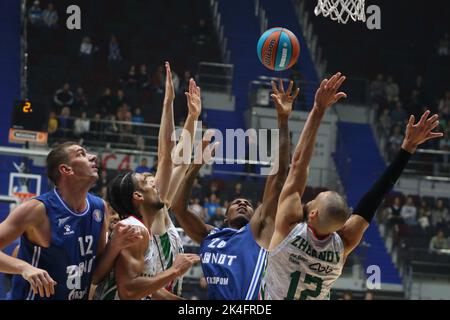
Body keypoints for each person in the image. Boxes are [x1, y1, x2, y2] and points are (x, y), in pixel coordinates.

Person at [260, 72, 443, 299]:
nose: (312, 197)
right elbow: (374, 200)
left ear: (314, 213)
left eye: (317, 197)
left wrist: (318, 109)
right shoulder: (343, 244)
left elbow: (298, 164)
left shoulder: (289, 226)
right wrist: (407, 149)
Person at [171, 79, 297, 299]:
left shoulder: (258, 231)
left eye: (248, 204)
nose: (243, 203)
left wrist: (283, 119)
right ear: (225, 216)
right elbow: (178, 208)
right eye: (237, 202)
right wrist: (196, 165)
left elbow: (278, 178)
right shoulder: (210, 235)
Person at [94, 62, 201, 300]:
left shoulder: (159, 214)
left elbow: (180, 161)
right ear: (138, 196)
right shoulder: (137, 231)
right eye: (146, 180)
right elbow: (166, 156)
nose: (153, 180)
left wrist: (192, 118)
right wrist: (168, 102)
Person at [0, 142, 141, 299]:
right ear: (66, 169)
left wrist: (115, 245)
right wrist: (24, 268)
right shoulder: (37, 210)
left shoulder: (98, 207)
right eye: (81, 154)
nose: (93, 157)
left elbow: (96, 275)